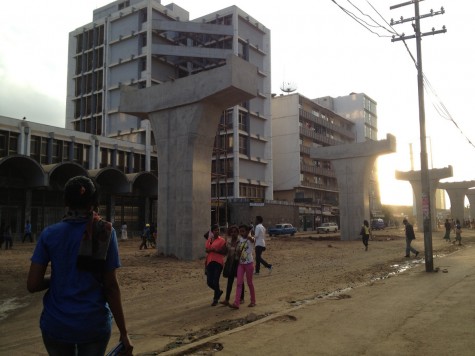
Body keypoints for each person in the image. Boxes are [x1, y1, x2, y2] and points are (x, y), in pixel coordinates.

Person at [27, 176, 133, 356]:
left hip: (56, 325)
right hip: (92, 325)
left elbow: (33, 284)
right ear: (93, 202)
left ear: (66, 202)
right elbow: (111, 287)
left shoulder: (49, 234)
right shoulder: (105, 232)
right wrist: (124, 333)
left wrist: (60, 276)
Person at [230, 224, 256, 309]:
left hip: (249, 264)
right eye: (240, 231)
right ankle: (236, 303)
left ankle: (253, 301)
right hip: (241, 264)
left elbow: (252, 240)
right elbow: (238, 251)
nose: (241, 233)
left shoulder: (251, 239)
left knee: (249, 283)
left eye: (243, 231)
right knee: (239, 283)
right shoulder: (240, 240)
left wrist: (249, 235)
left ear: (247, 231)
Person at [220, 225, 245, 306]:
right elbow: (225, 252)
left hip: (238, 263)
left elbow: (243, 253)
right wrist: (224, 245)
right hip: (230, 262)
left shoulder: (241, 241)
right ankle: (227, 299)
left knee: (240, 281)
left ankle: (241, 298)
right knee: (230, 281)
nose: (233, 233)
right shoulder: (229, 241)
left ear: (238, 233)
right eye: (232, 232)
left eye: (235, 232)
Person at [205, 224, 227, 306]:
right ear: (212, 231)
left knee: (216, 280)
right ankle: (218, 291)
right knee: (209, 282)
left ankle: (215, 299)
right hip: (210, 261)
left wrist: (216, 250)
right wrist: (210, 249)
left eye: (218, 230)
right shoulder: (209, 240)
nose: (217, 231)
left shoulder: (222, 240)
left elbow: (224, 252)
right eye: (215, 230)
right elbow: (206, 250)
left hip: (218, 262)